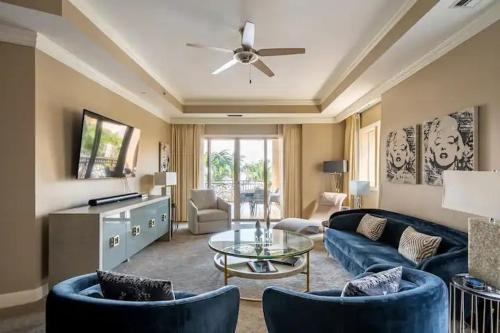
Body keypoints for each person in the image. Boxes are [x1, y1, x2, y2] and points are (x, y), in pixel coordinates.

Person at [425, 116, 466, 185]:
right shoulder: (429, 178)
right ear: (432, 150)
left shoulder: (463, 179)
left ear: (458, 148)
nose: (443, 147)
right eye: (438, 142)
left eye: (450, 142)